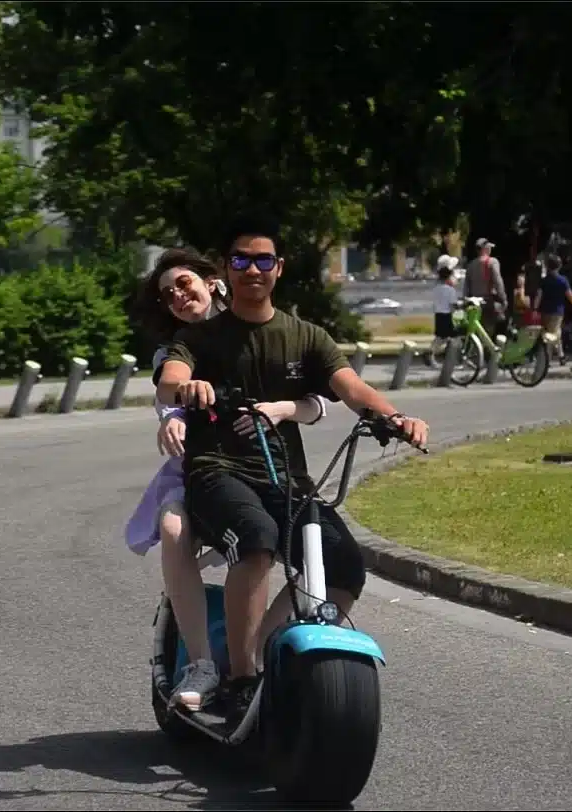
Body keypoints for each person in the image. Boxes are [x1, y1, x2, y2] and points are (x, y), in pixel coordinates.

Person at [156, 215, 430, 722]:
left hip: (287, 480)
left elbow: (351, 389)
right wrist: (186, 390)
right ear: (226, 269)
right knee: (256, 540)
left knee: (345, 565)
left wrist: (395, 417)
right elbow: (171, 379)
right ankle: (239, 680)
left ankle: (259, 649)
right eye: (241, 260)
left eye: (263, 260)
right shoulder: (202, 339)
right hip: (218, 472)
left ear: (278, 269)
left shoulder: (306, 336)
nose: (252, 270)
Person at [125, 247, 332, 713]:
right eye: (167, 295)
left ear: (212, 282)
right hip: (200, 468)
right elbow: (171, 394)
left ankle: (259, 644)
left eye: (183, 284)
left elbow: (316, 401)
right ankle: (201, 663)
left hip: (265, 468)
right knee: (177, 526)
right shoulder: (177, 350)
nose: (178, 296)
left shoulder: (260, 331)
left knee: (327, 552)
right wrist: (173, 418)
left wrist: (281, 409)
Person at [533, 254, 572, 364]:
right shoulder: (563, 280)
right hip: (557, 312)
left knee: (552, 333)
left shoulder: (544, 281)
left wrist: (535, 309)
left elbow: (539, 295)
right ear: (559, 266)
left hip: (544, 311)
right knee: (552, 335)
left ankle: (561, 356)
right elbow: (569, 295)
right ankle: (548, 360)